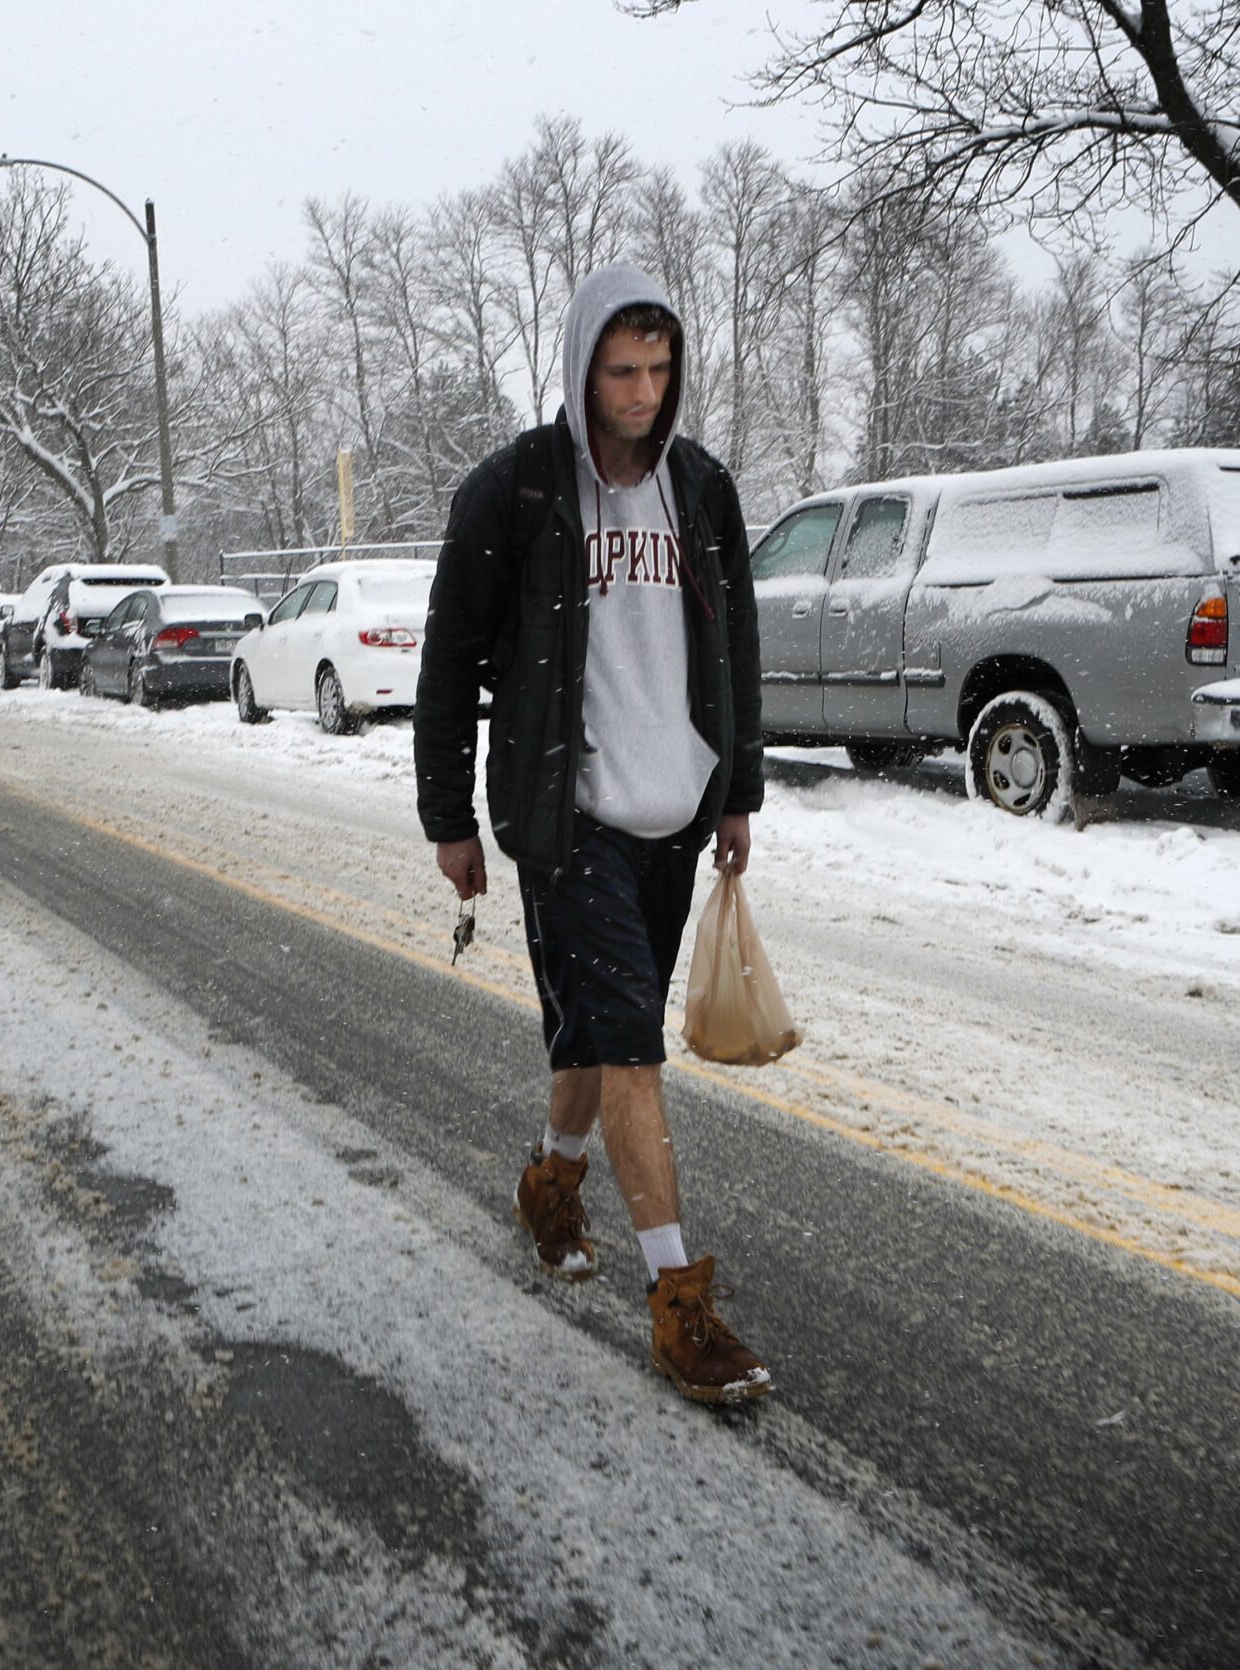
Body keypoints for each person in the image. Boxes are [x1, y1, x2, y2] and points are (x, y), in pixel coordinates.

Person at [414, 261, 772, 1405]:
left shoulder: (700, 491)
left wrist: (736, 790)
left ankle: (552, 1184)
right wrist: (448, 816)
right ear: (580, 368)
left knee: (593, 1034)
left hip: (674, 813)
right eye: (620, 370)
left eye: (658, 370)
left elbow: (736, 649)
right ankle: (680, 1308)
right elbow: (448, 661)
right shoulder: (518, 490)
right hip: (567, 816)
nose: (640, 392)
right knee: (628, 1045)